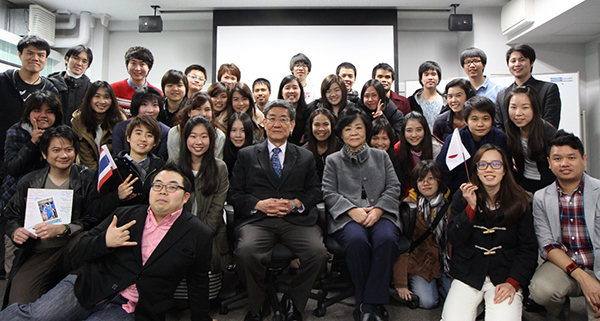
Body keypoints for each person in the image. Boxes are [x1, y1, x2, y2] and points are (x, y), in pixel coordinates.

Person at [0, 164, 214, 321]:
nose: (163, 191)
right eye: (157, 185)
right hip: (90, 285)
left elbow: (198, 283)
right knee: (35, 317)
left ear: (186, 197)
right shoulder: (124, 214)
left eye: (171, 187)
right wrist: (105, 241)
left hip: (132, 306)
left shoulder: (197, 234)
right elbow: (79, 252)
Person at [228, 99, 328, 321]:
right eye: (272, 118)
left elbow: (315, 191)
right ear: (263, 122)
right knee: (246, 252)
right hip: (258, 220)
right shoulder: (246, 154)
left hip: (294, 221)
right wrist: (257, 204)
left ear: (292, 125)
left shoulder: (305, 156)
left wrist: (295, 204)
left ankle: (293, 299)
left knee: (318, 253)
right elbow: (234, 193)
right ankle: (258, 302)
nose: (277, 124)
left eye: (284, 119)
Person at [441, 144, 538, 321]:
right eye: (483, 165)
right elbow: (454, 239)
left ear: (505, 170)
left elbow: (528, 249)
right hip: (468, 273)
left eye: (496, 164)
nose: (489, 169)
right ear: (476, 171)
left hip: (504, 275)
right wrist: (470, 208)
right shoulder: (462, 196)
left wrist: (513, 282)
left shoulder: (520, 200)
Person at [3, 126, 98, 306]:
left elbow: (94, 218)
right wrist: (16, 231)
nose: (63, 155)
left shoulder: (88, 179)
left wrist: (65, 228)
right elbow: (11, 216)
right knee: (17, 306)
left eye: (69, 149)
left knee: (85, 238)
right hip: (38, 251)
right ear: (44, 154)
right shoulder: (29, 181)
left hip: (72, 248)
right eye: (56, 150)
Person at [322, 107, 400, 321]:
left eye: (359, 127)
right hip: (348, 217)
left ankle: (366, 304)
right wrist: (351, 210)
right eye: (348, 129)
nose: (354, 133)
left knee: (386, 239)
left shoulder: (381, 156)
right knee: (356, 241)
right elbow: (328, 192)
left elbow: (393, 187)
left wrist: (379, 209)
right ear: (341, 134)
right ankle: (374, 303)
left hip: (381, 213)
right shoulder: (333, 160)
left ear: (366, 130)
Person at [528, 130, 600, 321]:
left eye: (571, 157)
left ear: (583, 159)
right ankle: (558, 310)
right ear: (549, 163)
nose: (564, 163)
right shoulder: (541, 197)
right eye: (557, 158)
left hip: (598, 264)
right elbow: (547, 244)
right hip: (565, 267)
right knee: (541, 290)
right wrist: (583, 278)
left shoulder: (599, 191)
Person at [0, 91, 64, 275]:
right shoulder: (16, 131)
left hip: (49, 200)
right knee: (15, 250)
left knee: (45, 249)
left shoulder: (60, 134)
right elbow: (12, 168)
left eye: (49, 111)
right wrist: (33, 143)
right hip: (17, 199)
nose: (43, 115)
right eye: (37, 110)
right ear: (28, 112)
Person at [178, 116, 230, 300]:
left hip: (210, 234)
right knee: (179, 300)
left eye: (204, 136)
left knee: (207, 296)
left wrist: (199, 237)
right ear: (185, 139)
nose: (198, 142)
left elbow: (217, 209)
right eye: (193, 136)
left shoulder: (219, 168)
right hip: (178, 233)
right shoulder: (174, 166)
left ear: (211, 140)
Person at [393, 160, 451, 309]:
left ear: (439, 180)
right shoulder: (407, 206)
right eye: (421, 180)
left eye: (431, 178)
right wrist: (400, 283)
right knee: (428, 302)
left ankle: (439, 284)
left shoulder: (449, 205)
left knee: (458, 300)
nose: (426, 183)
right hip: (418, 263)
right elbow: (401, 244)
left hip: (445, 263)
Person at [0, 35, 57, 182]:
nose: (35, 58)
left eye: (41, 55)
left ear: (45, 59)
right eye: (30, 53)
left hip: (35, 157)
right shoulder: (3, 81)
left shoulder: (51, 90)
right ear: (20, 54)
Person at [436, 96, 508, 195]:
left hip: (495, 192)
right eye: (474, 119)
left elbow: (508, 169)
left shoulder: (500, 138)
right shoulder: (454, 139)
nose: (480, 124)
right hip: (460, 192)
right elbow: (443, 169)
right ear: (465, 121)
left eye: (485, 119)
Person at [96, 115, 165, 213]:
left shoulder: (162, 168)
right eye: (138, 133)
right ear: (128, 137)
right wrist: (117, 196)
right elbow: (94, 208)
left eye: (149, 135)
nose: (143, 139)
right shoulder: (112, 167)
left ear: (155, 142)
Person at [495, 44, 561, 130]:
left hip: (540, 142)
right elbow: (499, 127)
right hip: (510, 143)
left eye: (522, 60)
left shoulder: (548, 89)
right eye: (513, 61)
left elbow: (551, 124)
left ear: (532, 62)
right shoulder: (502, 95)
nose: (517, 64)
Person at [505, 85, 556, 193]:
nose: (518, 113)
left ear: (535, 108)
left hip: (548, 185)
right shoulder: (512, 129)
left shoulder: (548, 132)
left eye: (525, 107)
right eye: (513, 107)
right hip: (525, 183)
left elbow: (552, 169)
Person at [71, 80, 126, 170]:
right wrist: (96, 177)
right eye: (97, 96)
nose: (102, 101)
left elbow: (120, 152)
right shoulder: (78, 120)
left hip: (114, 171)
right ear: (89, 98)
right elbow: (85, 154)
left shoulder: (119, 120)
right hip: (87, 171)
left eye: (106, 97)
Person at [112, 87, 170, 160]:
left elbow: (161, 161)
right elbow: (117, 156)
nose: (150, 110)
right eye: (144, 104)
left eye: (155, 105)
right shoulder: (121, 127)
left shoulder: (165, 131)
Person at [168, 92, 225, 162]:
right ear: (189, 112)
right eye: (198, 109)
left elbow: (216, 164)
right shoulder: (175, 132)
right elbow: (174, 162)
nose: (203, 114)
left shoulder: (219, 135)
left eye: (207, 110)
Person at [397, 112, 442, 198]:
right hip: (411, 193)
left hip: (434, 192)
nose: (414, 135)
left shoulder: (436, 148)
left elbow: (439, 178)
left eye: (419, 130)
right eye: (409, 130)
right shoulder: (398, 149)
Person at [110, 46, 162, 118]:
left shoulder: (156, 93)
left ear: (149, 67)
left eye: (142, 64)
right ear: (127, 65)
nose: (137, 68)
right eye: (133, 63)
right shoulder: (113, 89)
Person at [48, 45, 93, 126]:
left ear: (87, 66)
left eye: (84, 61)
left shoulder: (91, 89)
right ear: (67, 59)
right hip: (53, 133)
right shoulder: (50, 83)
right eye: (76, 58)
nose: (79, 63)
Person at [408, 61, 446, 129]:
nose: (430, 77)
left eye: (433, 74)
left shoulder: (446, 101)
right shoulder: (412, 101)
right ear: (421, 78)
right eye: (426, 74)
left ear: (438, 77)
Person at [304, 108, 339, 181]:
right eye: (317, 125)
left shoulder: (341, 149)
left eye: (325, 124)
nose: (321, 129)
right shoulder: (303, 152)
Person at [277, 75, 309, 145]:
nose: (291, 91)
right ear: (281, 92)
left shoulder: (308, 112)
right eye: (287, 88)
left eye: (295, 88)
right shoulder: (275, 113)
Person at [223, 112, 255, 177]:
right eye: (234, 130)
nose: (238, 135)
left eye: (243, 130)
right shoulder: (225, 149)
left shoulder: (256, 152)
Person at [370, 116, 401, 183]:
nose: (380, 143)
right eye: (375, 138)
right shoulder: (363, 159)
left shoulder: (397, 160)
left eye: (384, 138)